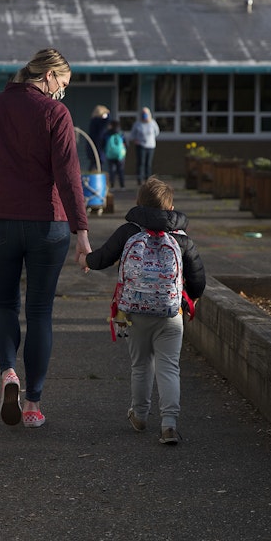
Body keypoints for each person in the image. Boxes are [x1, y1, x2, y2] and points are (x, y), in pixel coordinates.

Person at [0, 48, 93, 429]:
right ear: (50, 76)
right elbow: (69, 177)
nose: (63, 93)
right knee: (40, 312)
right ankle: (33, 405)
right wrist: (82, 234)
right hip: (47, 224)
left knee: (3, 306)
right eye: (64, 84)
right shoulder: (55, 114)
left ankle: (9, 373)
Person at [83, 177, 206, 445]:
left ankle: (139, 415)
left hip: (135, 311)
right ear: (170, 208)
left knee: (140, 365)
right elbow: (198, 277)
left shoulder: (129, 231)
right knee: (169, 367)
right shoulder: (182, 239)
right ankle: (169, 424)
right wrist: (191, 298)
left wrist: (85, 259)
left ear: (139, 203)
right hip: (170, 313)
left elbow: (103, 257)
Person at [129, 107, 160, 185]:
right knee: (141, 163)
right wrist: (135, 140)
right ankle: (139, 179)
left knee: (148, 163)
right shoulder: (137, 124)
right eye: (143, 113)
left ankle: (148, 180)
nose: (144, 115)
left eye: (146, 113)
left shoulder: (152, 123)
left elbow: (157, 133)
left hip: (150, 146)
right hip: (140, 146)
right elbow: (132, 135)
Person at [86, 105, 111, 172]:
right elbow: (107, 120)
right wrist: (107, 114)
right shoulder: (100, 122)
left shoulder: (93, 121)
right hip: (98, 145)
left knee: (93, 163)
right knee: (98, 163)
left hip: (92, 145)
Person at [103, 119, 127, 189]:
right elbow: (126, 143)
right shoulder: (121, 133)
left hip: (110, 155)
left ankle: (112, 185)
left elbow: (103, 144)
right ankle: (122, 186)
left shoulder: (107, 133)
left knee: (112, 170)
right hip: (120, 155)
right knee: (121, 170)